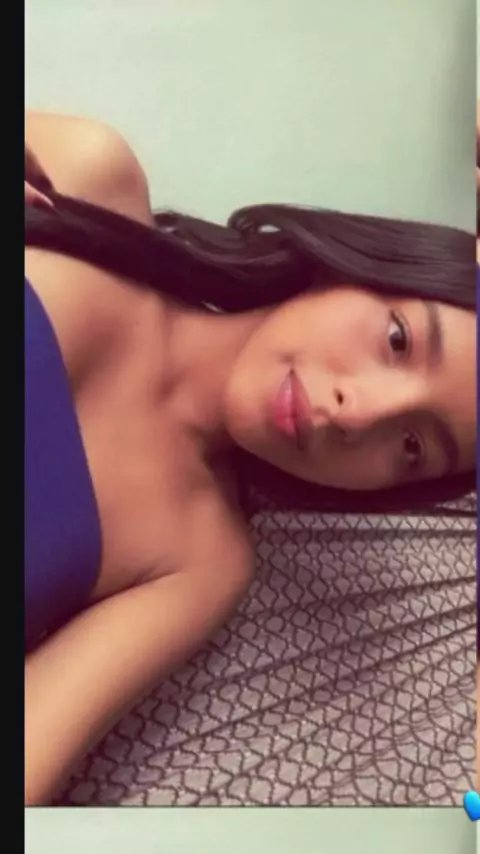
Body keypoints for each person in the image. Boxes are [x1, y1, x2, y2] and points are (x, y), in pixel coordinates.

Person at [24, 111, 477, 805]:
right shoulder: (91, 175)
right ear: (360, 263)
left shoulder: (200, 561)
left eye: (412, 446)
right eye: (398, 340)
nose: (358, 412)